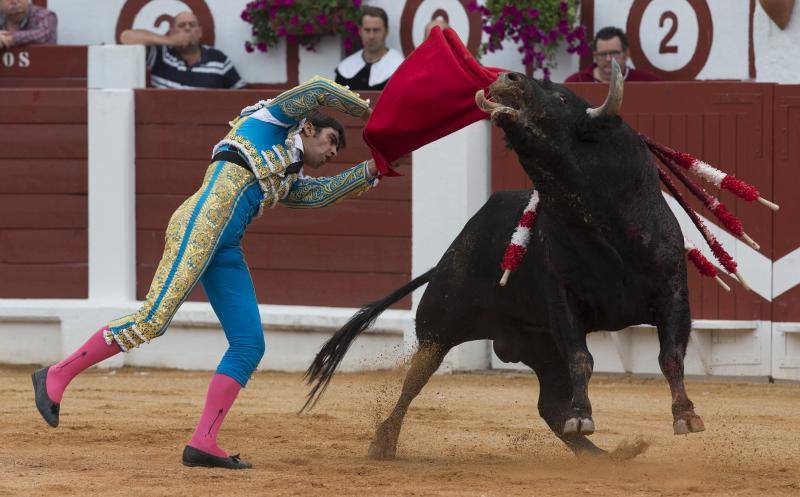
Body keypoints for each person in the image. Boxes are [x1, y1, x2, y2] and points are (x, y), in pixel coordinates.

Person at [32, 76, 384, 470]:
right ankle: (56, 375)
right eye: (331, 140)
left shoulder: (289, 177)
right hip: (199, 225)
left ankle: (203, 441)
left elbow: (321, 194)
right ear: (308, 127)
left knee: (249, 344)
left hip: (225, 247)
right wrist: (372, 111)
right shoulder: (270, 121)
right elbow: (317, 88)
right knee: (152, 320)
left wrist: (375, 167)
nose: (334, 151)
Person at [120, 10, 245, 89]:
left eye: (192, 25)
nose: (187, 29)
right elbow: (126, 37)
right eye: (181, 25)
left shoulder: (218, 59)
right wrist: (170, 41)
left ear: (200, 32)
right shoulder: (161, 54)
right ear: (172, 30)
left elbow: (241, 95)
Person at [334, 6, 403, 91]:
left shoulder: (399, 67)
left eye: (376, 30)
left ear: (386, 31)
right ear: (360, 31)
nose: (371, 36)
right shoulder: (345, 68)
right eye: (367, 30)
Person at [565, 26, 661, 83]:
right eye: (602, 54)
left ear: (626, 54)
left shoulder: (645, 81)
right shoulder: (576, 82)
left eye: (614, 53)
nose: (608, 59)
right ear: (595, 56)